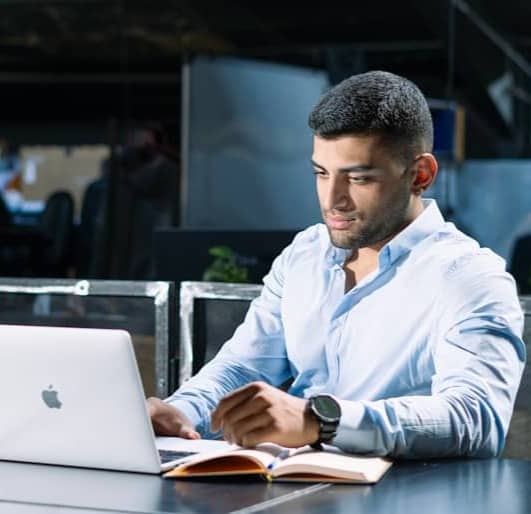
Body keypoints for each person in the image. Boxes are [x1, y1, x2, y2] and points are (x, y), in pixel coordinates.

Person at [147, 71, 525, 458]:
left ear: (420, 175)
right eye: (321, 173)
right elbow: (243, 369)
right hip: (292, 485)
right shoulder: (304, 255)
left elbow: (476, 418)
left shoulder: (471, 277)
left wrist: (322, 420)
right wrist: (181, 411)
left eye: (358, 178)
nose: (332, 200)